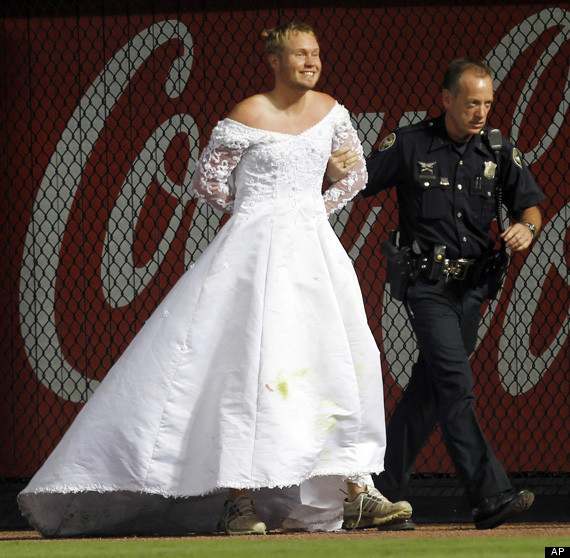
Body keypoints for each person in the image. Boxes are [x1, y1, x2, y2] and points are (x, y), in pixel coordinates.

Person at [17, 21, 411, 537]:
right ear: (274, 61)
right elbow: (208, 183)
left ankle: (353, 489)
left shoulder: (332, 111)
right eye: (299, 54)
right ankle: (238, 502)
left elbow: (356, 174)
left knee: (331, 358)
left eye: (315, 53)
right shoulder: (248, 113)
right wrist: (256, 214)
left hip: (314, 252)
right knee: (242, 367)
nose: (311, 62)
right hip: (251, 254)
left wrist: (312, 206)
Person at [353, 57, 544, 530]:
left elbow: (532, 206)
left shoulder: (498, 149)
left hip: (475, 288)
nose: (481, 112)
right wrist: (341, 165)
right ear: (446, 99)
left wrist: (526, 227)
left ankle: (380, 493)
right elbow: (359, 181)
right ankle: (489, 494)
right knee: (455, 383)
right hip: (428, 285)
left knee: (429, 393)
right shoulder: (411, 142)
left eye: (487, 103)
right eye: (472, 102)